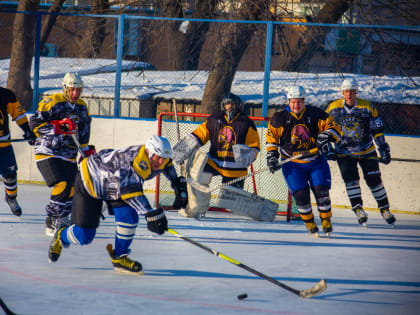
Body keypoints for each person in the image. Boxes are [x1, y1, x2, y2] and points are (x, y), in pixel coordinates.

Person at [48, 135, 188, 274]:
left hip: (115, 183)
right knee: (83, 236)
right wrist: (149, 213)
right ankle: (61, 234)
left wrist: (177, 183)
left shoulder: (158, 159)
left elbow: (167, 165)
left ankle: (119, 256)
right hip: (90, 182)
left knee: (130, 217)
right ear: (148, 152)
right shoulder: (134, 164)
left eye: (164, 158)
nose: (161, 162)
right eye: (158, 157)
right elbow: (133, 193)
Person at [266, 86, 341, 237]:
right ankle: (310, 224)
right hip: (292, 163)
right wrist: (272, 157)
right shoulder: (279, 118)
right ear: (288, 101)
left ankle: (326, 220)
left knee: (322, 191)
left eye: (299, 102)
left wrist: (326, 137)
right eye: (293, 102)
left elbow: (336, 128)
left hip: (315, 161)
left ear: (304, 101)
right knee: (301, 195)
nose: (296, 105)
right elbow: (272, 140)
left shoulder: (315, 114)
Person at [172, 92, 260, 219]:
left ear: (239, 106)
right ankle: (196, 208)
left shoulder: (246, 123)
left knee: (230, 202)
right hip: (214, 162)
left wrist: (249, 155)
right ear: (223, 106)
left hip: (235, 169)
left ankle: (253, 207)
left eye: (233, 104)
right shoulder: (214, 119)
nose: (230, 107)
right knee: (197, 179)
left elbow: (255, 146)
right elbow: (198, 135)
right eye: (228, 104)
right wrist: (180, 151)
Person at [30, 73, 95, 236]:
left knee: (74, 187)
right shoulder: (52, 102)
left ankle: (63, 217)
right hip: (48, 151)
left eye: (78, 90)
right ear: (65, 88)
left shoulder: (82, 107)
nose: (75, 94)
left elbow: (84, 134)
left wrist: (86, 150)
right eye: (72, 90)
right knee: (62, 184)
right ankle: (52, 219)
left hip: (69, 154)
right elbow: (35, 124)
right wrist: (58, 127)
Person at [326, 78, 395, 226]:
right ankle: (358, 209)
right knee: (351, 181)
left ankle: (384, 209)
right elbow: (323, 130)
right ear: (342, 92)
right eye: (346, 91)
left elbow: (377, 130)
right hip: (344, 152)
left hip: (366, 150)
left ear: (356, 92)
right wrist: (327, 148)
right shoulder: (333, 108)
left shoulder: (367, 107)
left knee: (374, 180)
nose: (349, 94)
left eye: (352, 91)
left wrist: (383, 148)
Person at [0, 87, 36, 216]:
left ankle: (11, 198)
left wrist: (27, 130)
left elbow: (18, 114)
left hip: (3, 145)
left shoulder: (5, 95)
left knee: (10, 176)